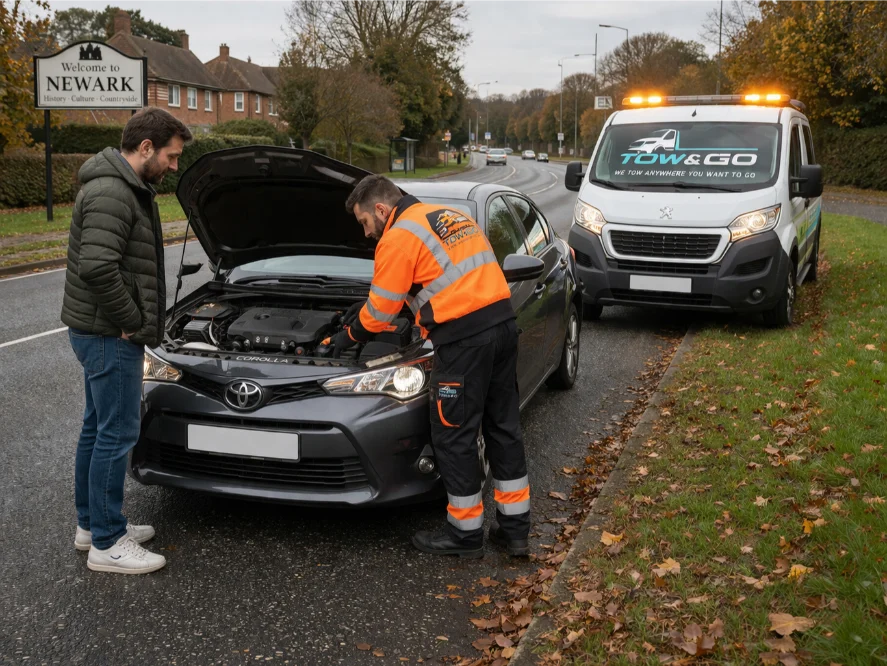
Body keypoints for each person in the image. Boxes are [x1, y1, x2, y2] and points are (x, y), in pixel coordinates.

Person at [338, 175, 531, 558]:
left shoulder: (397, 236)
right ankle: (515, 531)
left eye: (364, 223)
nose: (366, 234)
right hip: (503, 328)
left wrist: (348, 335)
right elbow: (448, 277)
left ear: (381, 209)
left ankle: (465, 534)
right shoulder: (450, 216)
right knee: (503, 427)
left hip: (463, 343)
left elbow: (378, 315)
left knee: (454, 435)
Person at [60, 107, 192, 574]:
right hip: (107, 333)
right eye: (171, 157)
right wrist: (132, 320)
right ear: (145, 148)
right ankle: (108, 542)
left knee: (98, 428)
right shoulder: (113, 192)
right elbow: (97, 267)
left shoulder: (123, 187)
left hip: (99, 331)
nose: (173, 167)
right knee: (117, 433)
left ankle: (91, 524)